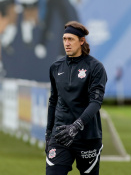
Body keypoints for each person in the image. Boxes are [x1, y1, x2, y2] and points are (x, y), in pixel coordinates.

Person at [45, 21, 107, 175]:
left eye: (71, 39)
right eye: (64, 39)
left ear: (81, 41)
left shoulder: (95, 67)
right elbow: (53, 101)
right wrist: (48, 133)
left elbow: (96, 102)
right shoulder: (55, 67)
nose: (66, 43)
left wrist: (76, 126)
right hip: (60, 135)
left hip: (87, 137)